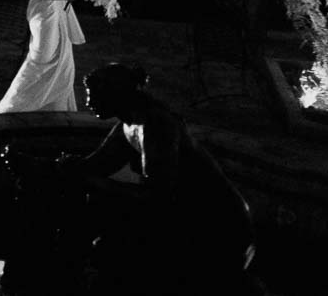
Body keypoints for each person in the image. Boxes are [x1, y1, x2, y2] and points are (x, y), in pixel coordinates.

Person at [60, 63, 257, 294]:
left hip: (217, 227)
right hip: (185, 211)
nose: (88, 103)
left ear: (116, 94)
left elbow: (157, 195)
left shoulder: (155, 126)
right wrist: (53, 167)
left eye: (95, 96)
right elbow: (96, 165)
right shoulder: (129, 123)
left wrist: (93, 182)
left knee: (109, 247)